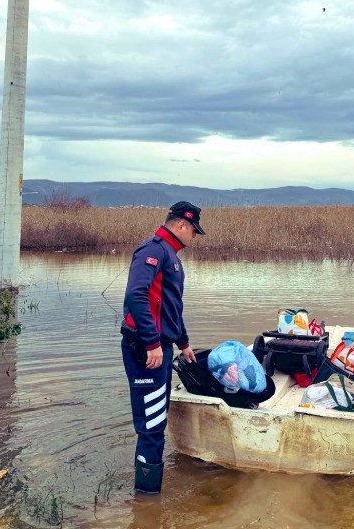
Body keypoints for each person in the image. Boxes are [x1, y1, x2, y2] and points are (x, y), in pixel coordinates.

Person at [120, 201, 204, 495]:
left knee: (157, 419)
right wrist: (152, 343)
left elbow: (171, 308)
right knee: (152, 426)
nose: (194, 237)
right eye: (194, 231)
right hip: (146, 351)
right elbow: (136, 296)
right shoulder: (153, 251)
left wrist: (184, 343)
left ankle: (148, 495)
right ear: (181, 225)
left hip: (162, 348)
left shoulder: (171, 256)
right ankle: (146, 501)